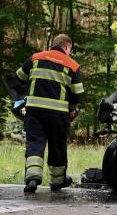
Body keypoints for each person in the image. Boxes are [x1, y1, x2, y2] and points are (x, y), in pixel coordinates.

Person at [15, 34, 84, 193]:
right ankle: (57, 181)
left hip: (34, 111)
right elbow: (77, 93)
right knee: (57, 146)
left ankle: (32, 178)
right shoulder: (72, 65)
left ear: (54, 44)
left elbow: (19, 77)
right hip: (58, 114)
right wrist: (72, 108)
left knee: (35, 143)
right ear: (67, 47)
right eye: (70, 50)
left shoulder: (36, 58)